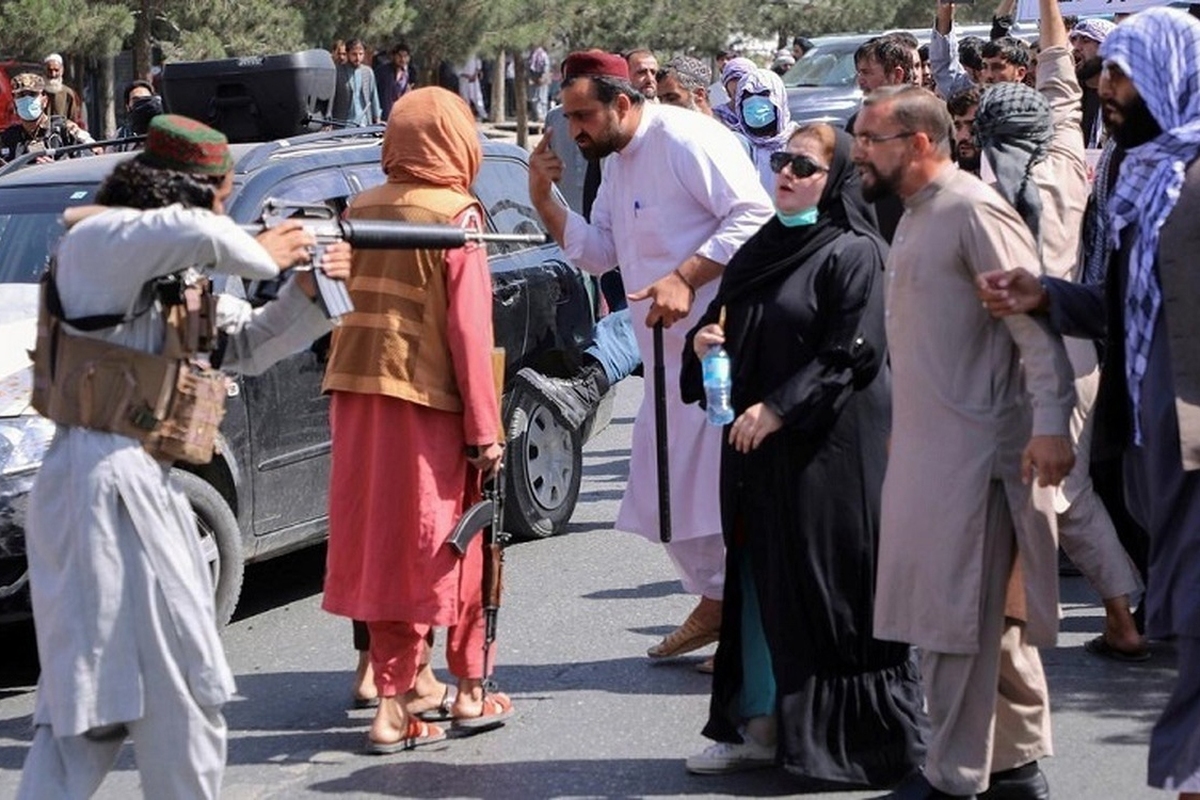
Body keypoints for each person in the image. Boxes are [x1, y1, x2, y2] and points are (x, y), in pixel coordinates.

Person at [17, 113, 350, 799]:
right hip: (99, 482)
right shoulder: (101, 240)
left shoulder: (174, 275)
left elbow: (249, 345)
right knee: (127, 701)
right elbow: (194, 230)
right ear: (188, 191)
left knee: (116, 706)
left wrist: (307, 294)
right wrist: (270, 246)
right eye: (222, 194)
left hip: (138, 483)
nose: (226, 210)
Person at [976, 9, 1200, 797]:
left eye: (1121, 72)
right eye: (1103, 71)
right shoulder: (1147, 173)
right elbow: (1123, 303)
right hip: (1155, 431)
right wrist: (1046, 297)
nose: (1105, 85)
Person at [679, 123, 927, 784]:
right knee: (760, 586)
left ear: (837, 178)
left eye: (804, 166)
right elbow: (728, 326)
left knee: (830, 594)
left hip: (832, 455)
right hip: (757, 452)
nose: (785, 173)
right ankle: (760, 727)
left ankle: (853, 743)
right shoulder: (761, 246)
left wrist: (780, 408)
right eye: (781, 161)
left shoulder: (856, 253)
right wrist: (705, 348)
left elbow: (851, 354)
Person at [852, 85, 1076, 800]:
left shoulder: (973, 210)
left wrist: (1049, 425)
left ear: (919, 143)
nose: (857, 150)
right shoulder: (918, 214)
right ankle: (1014, 769)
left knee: (952, 627)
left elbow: (1033, 332)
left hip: (975, 464)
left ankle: (952, 781)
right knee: (983, 626)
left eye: (870, 138)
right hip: (929, 458)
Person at [527, 50, 773, 668]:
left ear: (623, 104)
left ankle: (748, 618)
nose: (575, 129)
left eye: (584, 115)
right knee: (662, 493)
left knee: (718, 491)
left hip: (720, 350)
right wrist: (544, 197)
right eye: (568, 116)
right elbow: (600, 252)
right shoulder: (616, 163)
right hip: (660, 360)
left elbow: (755, 217)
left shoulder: (688, 138)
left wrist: (686, 277)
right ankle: (722, 602)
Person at [321, 87, 513, 754]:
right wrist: (485, 431)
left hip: (354, 396)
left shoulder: (360, 206)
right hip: (425, 402)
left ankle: (402, 692)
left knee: (382, 545)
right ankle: (436, 698)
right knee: (447, 545)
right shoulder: (457, 215)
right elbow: (468, 331)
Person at [973, 0, 1145, 663]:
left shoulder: (992, 190)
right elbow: (1061, 88)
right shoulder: (1065, 154)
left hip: (1041, 347)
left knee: (1065, 496)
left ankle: (1122, 616)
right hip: (1074, 341)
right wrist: (1047, 7)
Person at [0, 73, 93, 163]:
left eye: (32, 94)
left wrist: (56, 168)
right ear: (15, 103)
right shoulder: (7, 138)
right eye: (21, 95)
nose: (27, 99)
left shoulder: (65, 131)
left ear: (44, 101)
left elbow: (89, 161)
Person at [731, 68, 796, 191]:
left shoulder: (797, 142)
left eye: (763, 94)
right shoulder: (735, 144)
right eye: (748, 95)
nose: (755, 101)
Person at [332, 39, 382, 127]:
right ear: (347, 53)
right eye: (354, 54)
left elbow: (374, 97)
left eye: (360, 54)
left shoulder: (368, 72)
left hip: (364, 123)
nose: (358, 57)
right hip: (342, 124)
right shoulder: (338, 71)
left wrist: (377, 119)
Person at [113, 79, 162, 150]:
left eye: (146, 99)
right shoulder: (120, 136)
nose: (141, 104)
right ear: (127, 106)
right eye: (136, 100)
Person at [42, 53, 85, 128]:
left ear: (62, 70)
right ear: (44, 69)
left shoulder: (69, 93)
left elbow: (76, 120)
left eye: (56, 70)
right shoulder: (36, 92)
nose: (53, 74)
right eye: (50, 70)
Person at [375, 42, 415, 115]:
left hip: (400, 113)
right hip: (383, 113)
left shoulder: (408, 73)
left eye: (405, 56)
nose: (402, 59)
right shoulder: (382, 71)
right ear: (393, 56)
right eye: (399, 56)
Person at [528, 44, 551, 121]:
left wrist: (543, 77)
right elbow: (529, 67)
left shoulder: (543, 55)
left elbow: (546, 66)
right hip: (534, 77)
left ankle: (542, 116)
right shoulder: (531, 55)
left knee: (542, 97)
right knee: (534, 97)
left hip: (542, 78)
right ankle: (537, 115)